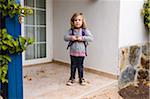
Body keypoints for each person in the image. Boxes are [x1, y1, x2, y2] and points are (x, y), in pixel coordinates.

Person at [64, 12, 93, 86]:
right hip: (73, 52)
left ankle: (81, 78)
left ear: (82, 21)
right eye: (75, 20)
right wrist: (71, 37)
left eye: (79, 20)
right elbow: (65, 37)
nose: (77, 21)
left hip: (81, 52)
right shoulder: (71, 30)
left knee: (80, 66)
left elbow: (91, 38)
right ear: (73, 22)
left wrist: (82, 38)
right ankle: (72, 78)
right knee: (73, 65)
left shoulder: (84, 30)